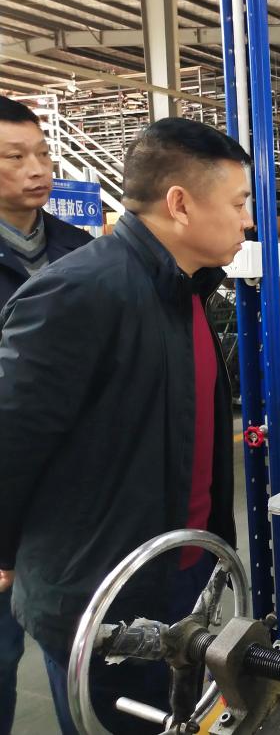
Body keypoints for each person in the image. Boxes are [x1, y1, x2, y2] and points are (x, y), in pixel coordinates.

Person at [0, 117, 248, 733]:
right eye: (238, 203)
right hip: (104, 592)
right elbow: (10, 438)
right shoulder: (80, 291)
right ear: (180, 204)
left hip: (176, 570)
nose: (248, 221)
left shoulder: (184, 290)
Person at [0, 95, 92, 735]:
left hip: (72, 498)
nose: (36, 168)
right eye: (14, 157)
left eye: (41, 153)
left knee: (79, 655)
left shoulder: (78, 249)